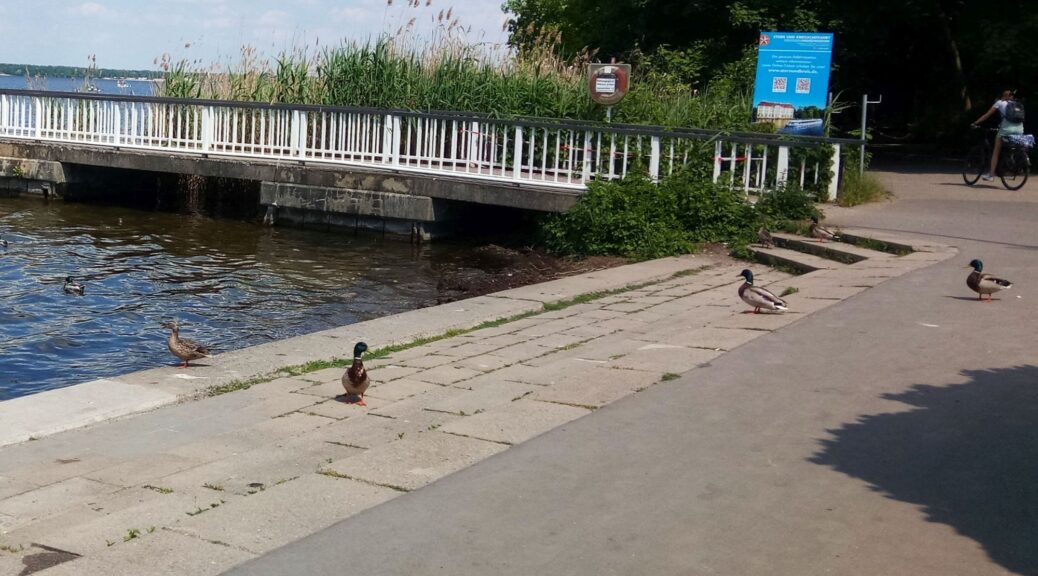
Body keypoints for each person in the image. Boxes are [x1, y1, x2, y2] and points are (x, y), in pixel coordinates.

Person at [971, 90, 1024, 180]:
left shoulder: (999, 102)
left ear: (1002, 96)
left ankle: (991, 175)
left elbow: (987, 115)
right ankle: (1013, 159)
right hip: (1020, 129)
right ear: (1011, 96)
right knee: (1011, 145)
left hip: (1006, 129)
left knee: (996, 151)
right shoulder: (1017, 104)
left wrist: (975, 123)